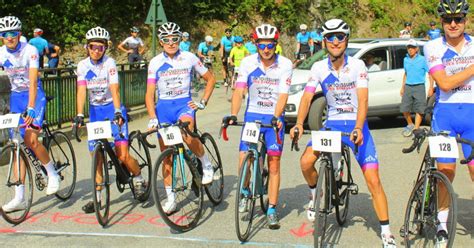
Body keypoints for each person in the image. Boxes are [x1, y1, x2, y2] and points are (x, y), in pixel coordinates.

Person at [290, 19, 397, 247]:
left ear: (346, 40)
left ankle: (387, 232)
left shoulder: (357, 66)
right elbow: (307, 96)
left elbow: (363, 98)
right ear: (324, 41)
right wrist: (299, 123)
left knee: (373, 180)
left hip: (356, 126)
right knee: (306, 162)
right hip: (332, 126)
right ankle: (314, 194)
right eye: (331, 37)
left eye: (340, 36)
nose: (335, 41)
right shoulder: (318, 68)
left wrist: (359, 127)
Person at [223, 24, 292, 229]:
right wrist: (234, 114)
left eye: (270, 45)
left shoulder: (285, 64)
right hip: (253, 113)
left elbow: (283, 94)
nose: (266, 49)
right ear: (256, 45)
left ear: (275, 45)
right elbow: (239, 89)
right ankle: (244, 191)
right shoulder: (247, 62)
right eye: (262, 45)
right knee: (244, 155)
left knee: (274, 163)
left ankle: (271, 208)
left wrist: (276, 116)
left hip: (274, 116)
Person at [145, 22, 217, 213]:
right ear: (161, 42)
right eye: (166, 40)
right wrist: (153, 117)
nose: (171, 43)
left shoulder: (189, 57)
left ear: (179, 40)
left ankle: (206, 163)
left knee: (187, 135)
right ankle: (170, 198)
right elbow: (149, 93)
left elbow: (210, 79)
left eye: (174, 39)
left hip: (184, 104)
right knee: (166, 156)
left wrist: (203, 101)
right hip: (164, 108)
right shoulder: (155, 63)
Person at [73, 26, 146, 213]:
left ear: (105, 48)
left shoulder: (110, 63)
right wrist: (79, 114)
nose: (96, 50)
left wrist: (117, 111)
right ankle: (97, 198)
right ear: (87, 47)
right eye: (92, 47)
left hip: (112, 108)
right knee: (96, 157)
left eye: (100, 47)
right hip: (96, 112)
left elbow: (115, 88)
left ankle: (138, 177)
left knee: (122, 155)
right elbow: (81, 90)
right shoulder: (82, 66)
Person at [423, 0, 473, 245]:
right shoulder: (432, 47)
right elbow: (444, 83)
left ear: (466, 20)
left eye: (458, 19)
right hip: (446, 116)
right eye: (448, 20)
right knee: (446, 172)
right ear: (442, 22)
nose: (453, 24)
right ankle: (442, 225)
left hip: (472, 116)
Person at [0, 16, 60, 212]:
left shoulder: (30, 50)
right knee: (16, 145)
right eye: (4, 34)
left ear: (19, 34)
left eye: (13, 33)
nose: (9, 37)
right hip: (16, 97)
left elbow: (33, 81)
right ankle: (20, 198)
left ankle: (52, 173)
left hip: (34, 96)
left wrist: (32, 106)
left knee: (31, 139)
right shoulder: (1, 53)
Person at [400, 39, 433, 137]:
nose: (410, 49)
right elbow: (406, 73)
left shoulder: (423, 59)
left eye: (412, 47)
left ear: (417, 49)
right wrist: (402, 86)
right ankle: (410, 124)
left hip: (419, 86)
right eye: (409, 47)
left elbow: (430, 73)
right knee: (404, 109)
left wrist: (431, 87)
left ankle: (416, 128)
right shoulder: (405, 59)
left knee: (420, 109)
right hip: (408, 86)